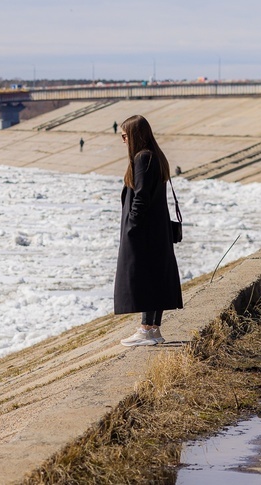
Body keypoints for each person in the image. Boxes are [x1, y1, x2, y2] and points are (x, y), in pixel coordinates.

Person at [115, 115, 183, 346]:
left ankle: (146, 330)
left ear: (134, 135)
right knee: (156, 278)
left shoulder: (143, 158)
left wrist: (132, 226)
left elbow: (141, 197)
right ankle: (154, 330)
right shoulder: (155, 156)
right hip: (157, 229)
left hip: (144, 230)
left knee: (144, 278)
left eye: (124, 136)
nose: (123, 140)